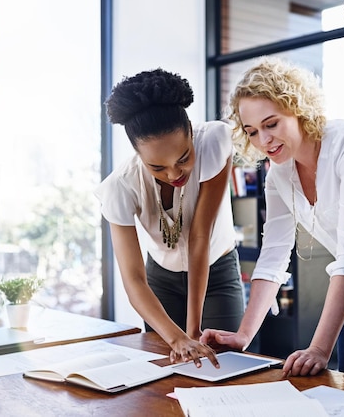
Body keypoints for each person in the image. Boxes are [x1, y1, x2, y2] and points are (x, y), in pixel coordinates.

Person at [200, 56, 344, 381]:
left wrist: (319, 349)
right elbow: (273, 255)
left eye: (271, 124)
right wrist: (243, 336)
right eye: (252, 132)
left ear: (299, 107)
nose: (263, 141)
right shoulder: (278, 174)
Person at [95, 68, 245, 366]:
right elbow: (134, 279)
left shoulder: (213, 142)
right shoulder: (120, 186)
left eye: (184, 158)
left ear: (190, 130)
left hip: (216, 271)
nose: (174, 174)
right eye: (157, 168)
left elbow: (199, 236)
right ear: (137, 154)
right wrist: (177, 338)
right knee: (170, 369)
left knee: (226, 367)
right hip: (159, 280)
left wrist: (192, 331)